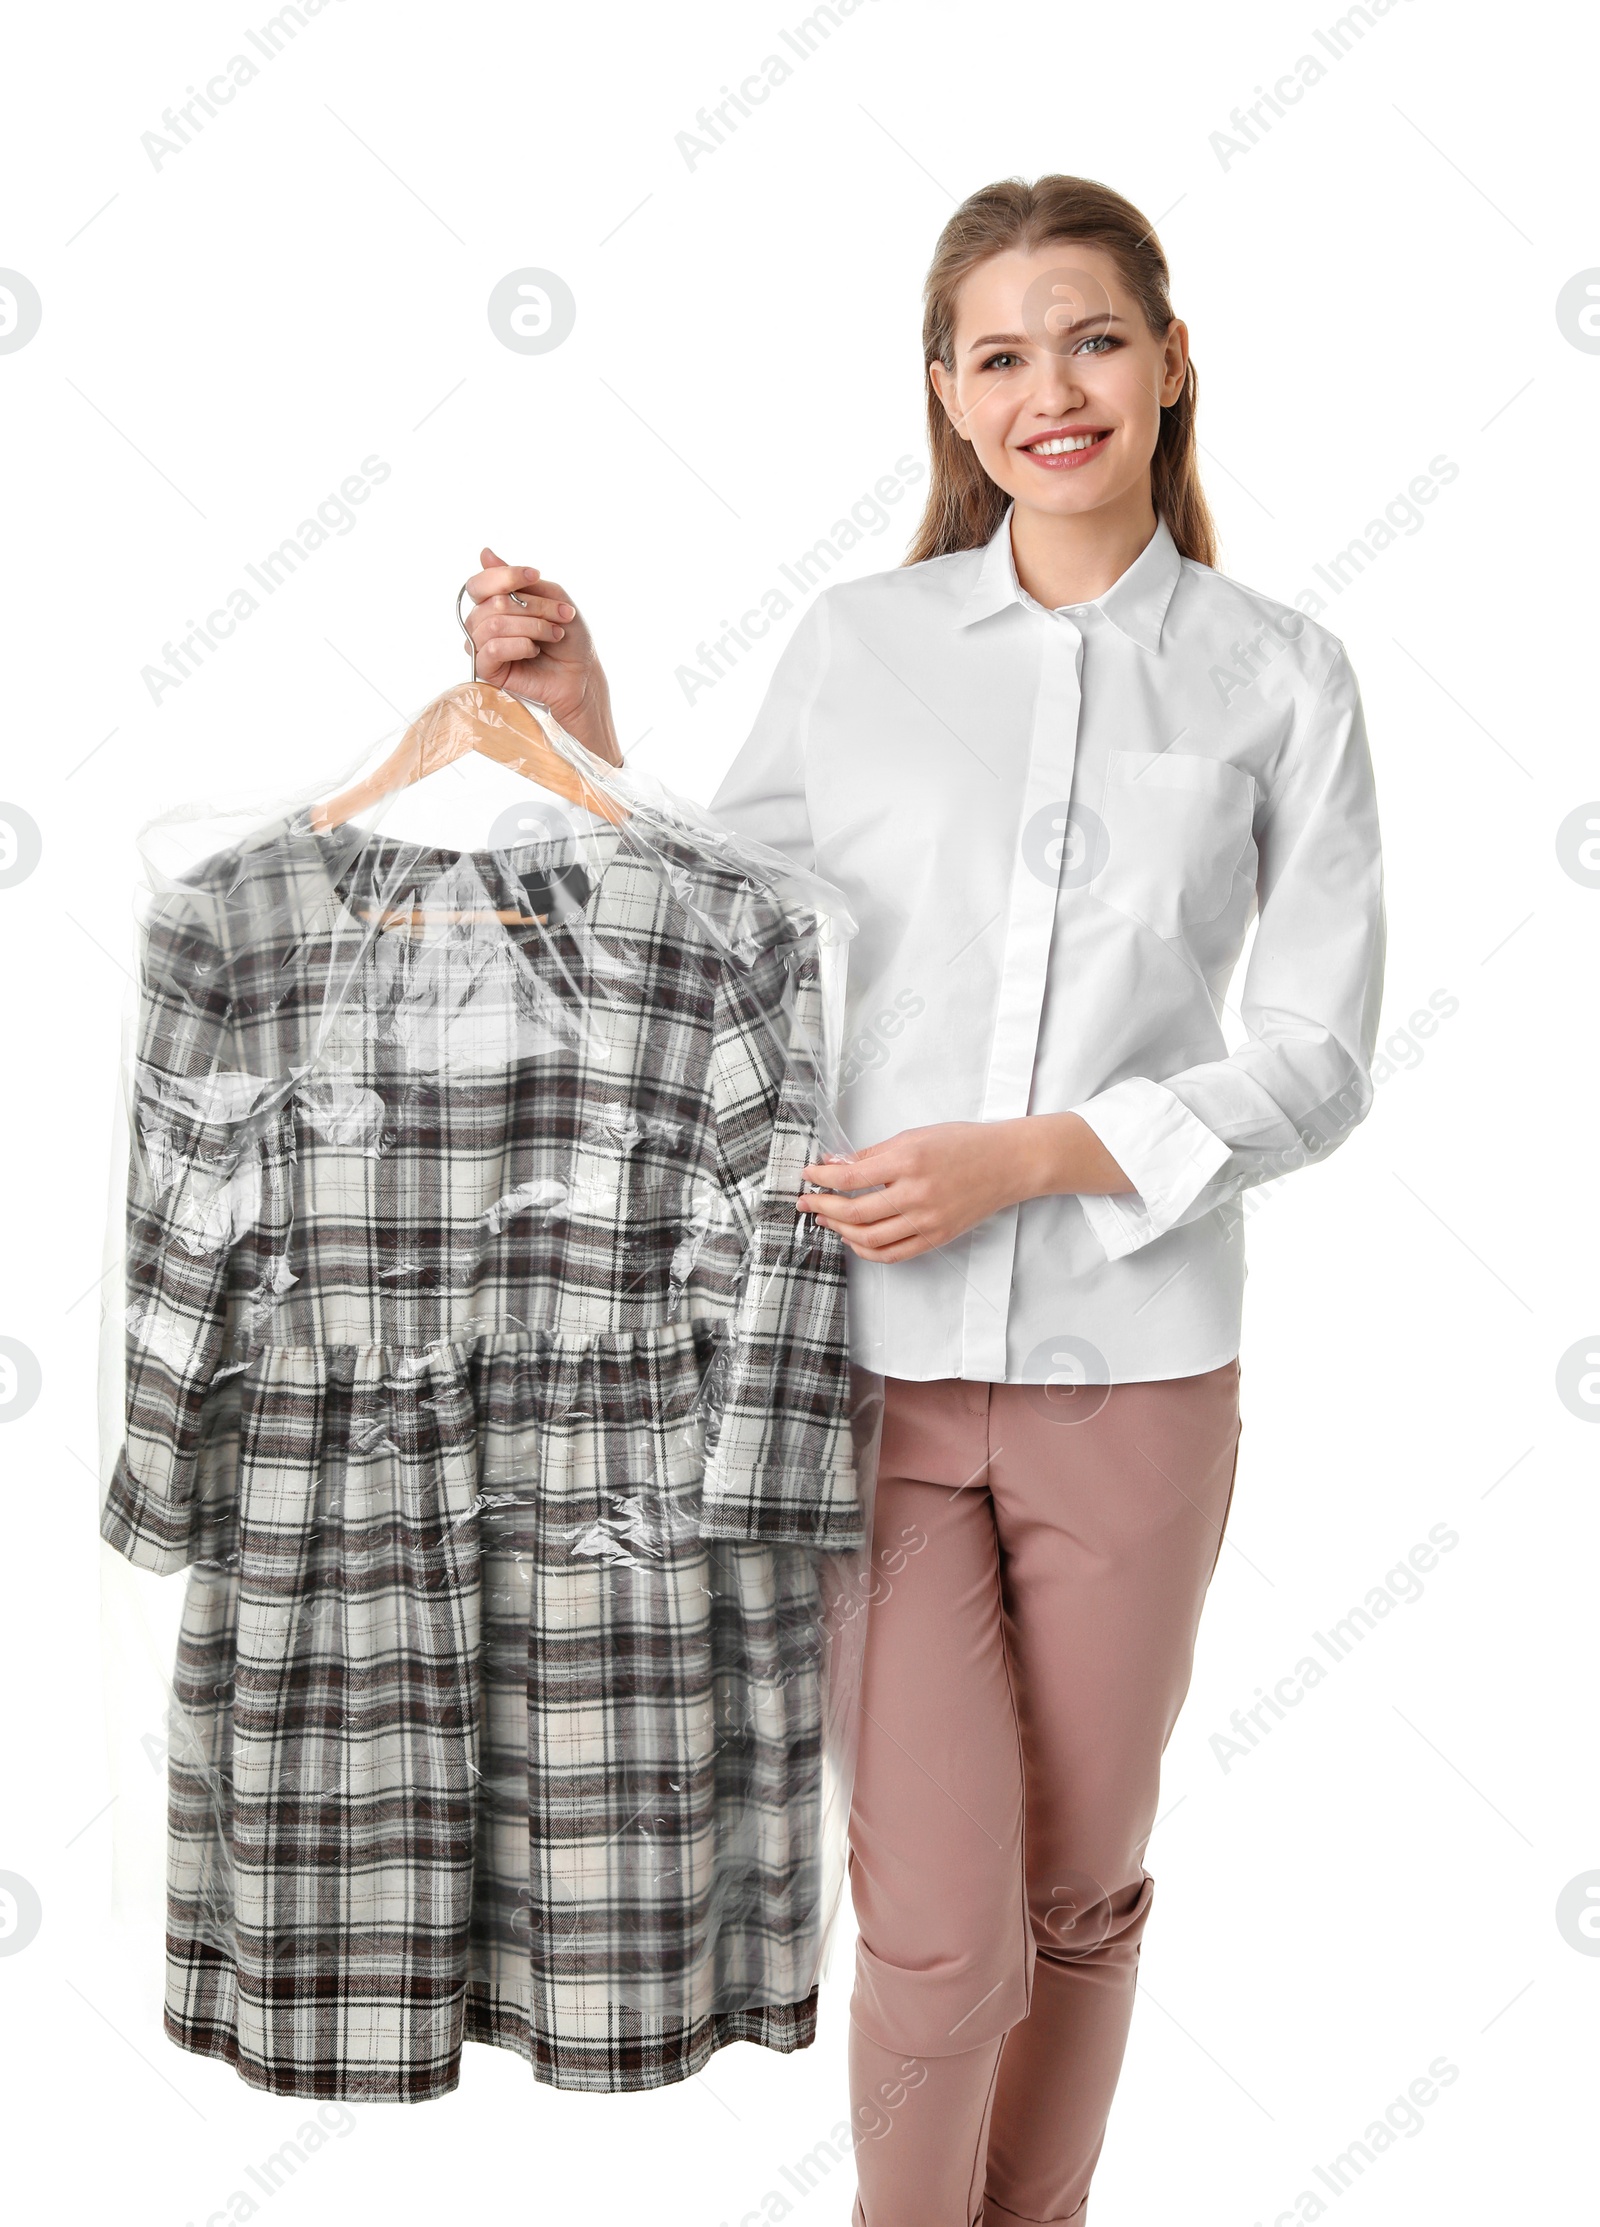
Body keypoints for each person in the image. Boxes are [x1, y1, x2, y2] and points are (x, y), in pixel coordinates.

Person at [462, 173, 1386, 2227]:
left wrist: (1037, 1153)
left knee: (1073, 1888)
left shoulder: (1274, 676)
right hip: (858, 1371)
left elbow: (1313, 1055)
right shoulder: (862, 644)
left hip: (1131, 1378)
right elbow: (743, 925)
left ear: (1162, 364)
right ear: (948, 403)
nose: (1043, 385)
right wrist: (591, 731)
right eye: (993, 353)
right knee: (940, 1919)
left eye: (1085, 337)